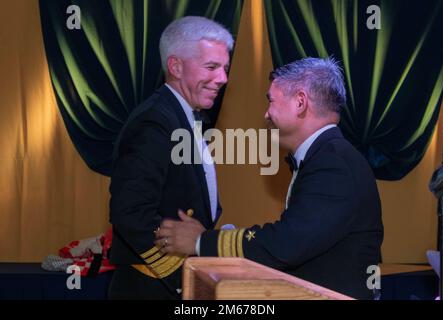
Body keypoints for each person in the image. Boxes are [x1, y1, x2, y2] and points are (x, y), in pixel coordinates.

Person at [155, 57, 384, 300]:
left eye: (271, 101)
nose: (266, 114)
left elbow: (286, 244)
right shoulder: (329, 156)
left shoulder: (333, 163)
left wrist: (202, 241)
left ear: (300, 102)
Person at [108, 16, 234, 299]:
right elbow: (131, 213)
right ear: (175, 66)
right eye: (212, 67)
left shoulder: (182, 116)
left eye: (225, 68)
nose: (223, 78)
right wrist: (181, 277)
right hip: (153, 286)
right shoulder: (154, 121)